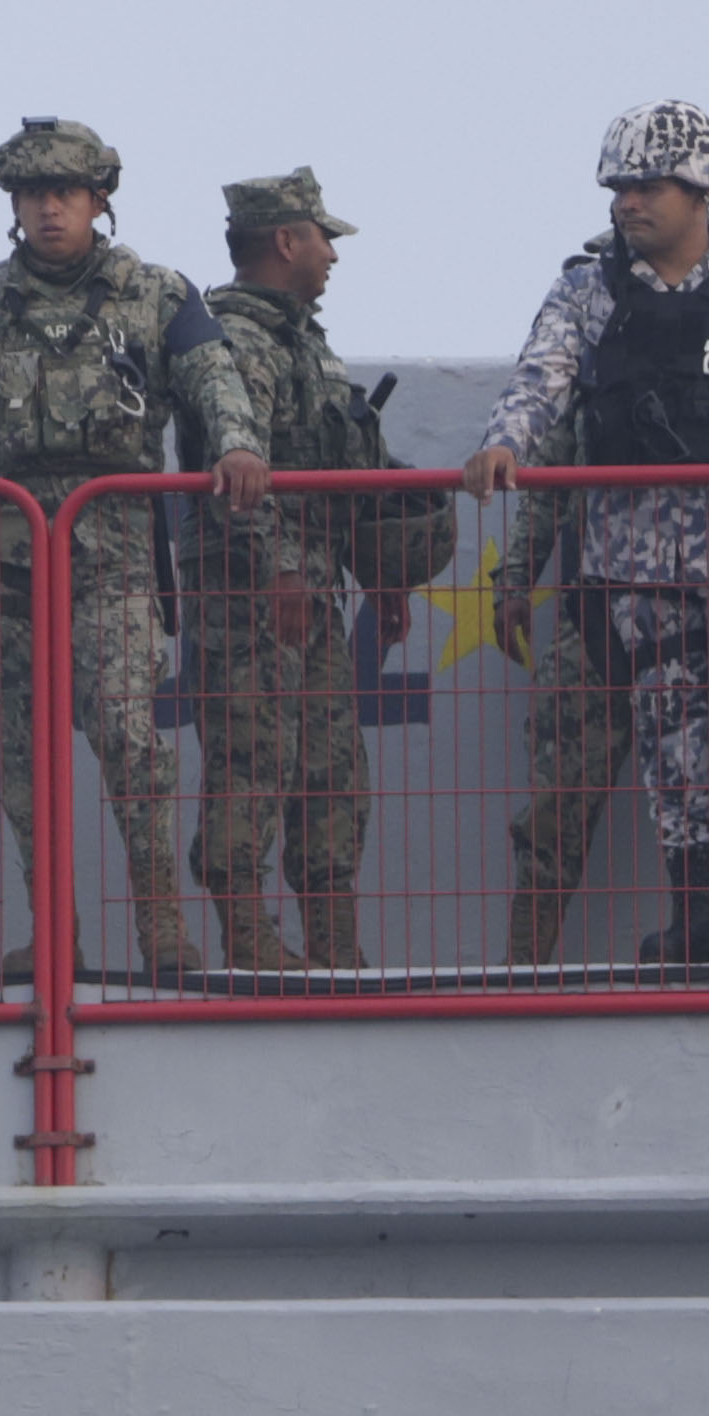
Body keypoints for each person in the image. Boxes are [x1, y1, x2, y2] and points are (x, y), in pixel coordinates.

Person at [466, 102, 709, 968]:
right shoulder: (587, 286)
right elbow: (542, 373)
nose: (628, 203)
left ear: (700, 186)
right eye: (619, 188)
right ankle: (694, 925)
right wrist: (504, 442)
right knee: (672, 744)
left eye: (646, 186)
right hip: (635, 561)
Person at [0, 117, 271, 980]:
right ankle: (55, 933)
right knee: (24, 756)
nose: (49, 211)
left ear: (99, 200)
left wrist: (237, 445)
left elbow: (215, 382)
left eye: (65, 193)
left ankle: (161, 930)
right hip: (3, 559)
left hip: (113, 553)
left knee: (128, 736)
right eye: (33, 195)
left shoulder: (156, 294)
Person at [190, 168, 441, 973]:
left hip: (313, 588)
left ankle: (333, 945)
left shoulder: (305, 340)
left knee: (331, 771)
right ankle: (248, 939)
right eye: (322, 235)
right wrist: (277, 572)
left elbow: (341, 465)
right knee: (253, 761)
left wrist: (383, 577)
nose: (333, 252)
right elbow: (239, 468)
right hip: (250, 590)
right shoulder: (236, 339)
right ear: (284, 240)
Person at [471, 405, 640, 965]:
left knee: (702, 794)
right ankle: (524, 964)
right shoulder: (596, 355)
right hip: (596, 610)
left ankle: (705, 942)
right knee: (558, 794)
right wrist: (514, 579)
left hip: (708, 609)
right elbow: (545, 488)